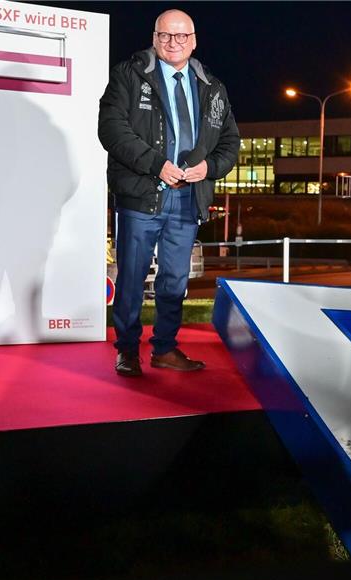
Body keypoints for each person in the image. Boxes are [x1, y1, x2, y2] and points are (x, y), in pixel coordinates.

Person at [99, 9, 239, 377]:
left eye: (181, 36)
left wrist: (210, 168)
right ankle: (127, 350)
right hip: (142, 194)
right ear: (154, 37)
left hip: (188, 198)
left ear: (193, 40)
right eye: (165, 35)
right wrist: (155, 163)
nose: (173, 43)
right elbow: (111, 130)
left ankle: (165, 348)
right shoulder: (129, 75)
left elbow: (230, 141)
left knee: (175, 281)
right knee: (131, 276)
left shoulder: (212, 86)